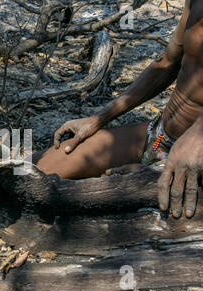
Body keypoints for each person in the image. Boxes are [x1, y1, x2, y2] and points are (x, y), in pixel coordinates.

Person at [34, 0, 202, 219]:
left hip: (195, 158)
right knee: (29, 171)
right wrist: (98, 118)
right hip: (160, 138)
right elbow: (168, 62)